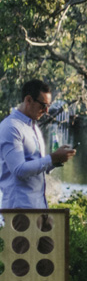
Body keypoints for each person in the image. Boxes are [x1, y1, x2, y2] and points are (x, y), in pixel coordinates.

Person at [0, 79, 75, 209]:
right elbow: (19, 170)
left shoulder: (33, 128)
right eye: (43, 105)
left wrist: (56, 160)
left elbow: (37, 165)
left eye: (48, 106)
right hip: (19, 211)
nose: (46, 111)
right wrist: (51, 158)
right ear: (28, 100)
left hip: (38, 207)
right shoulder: (11, 127)